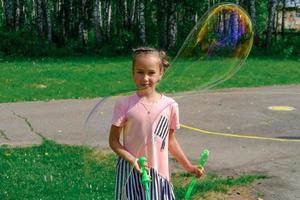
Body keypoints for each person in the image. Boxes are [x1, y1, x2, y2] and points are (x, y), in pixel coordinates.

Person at [109, 47, 203, 200]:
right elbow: (113, 141)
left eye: (151, 73)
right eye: (140, 72)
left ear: (161, 74)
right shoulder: (124, 104)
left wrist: (188, 166)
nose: (145, 78)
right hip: (130, 171)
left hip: (159, 172)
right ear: (133, 73)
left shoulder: (170, 105)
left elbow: (170, 141)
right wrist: (132, 160)